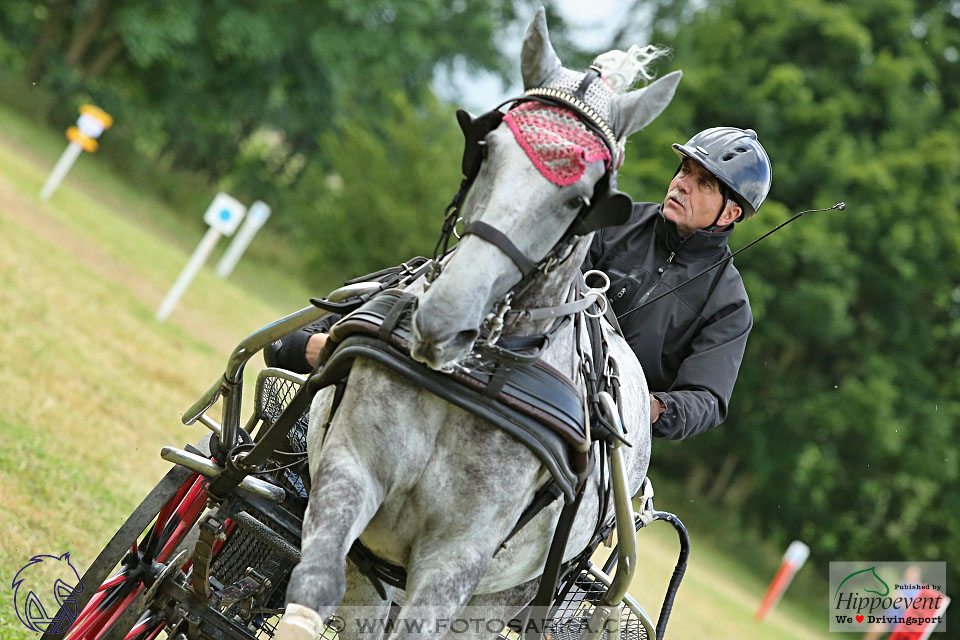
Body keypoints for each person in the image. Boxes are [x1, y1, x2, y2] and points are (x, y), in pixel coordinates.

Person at [265, 126, 771, 441]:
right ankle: (332, 335)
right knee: (443, 265)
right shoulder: (614, 217)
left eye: (703, 182)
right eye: (684, 168)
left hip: (591, 420)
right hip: (525, 355)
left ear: (731, 212)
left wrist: (649, 409)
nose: (681, 183)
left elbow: (706, 399)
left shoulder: (728, 305)